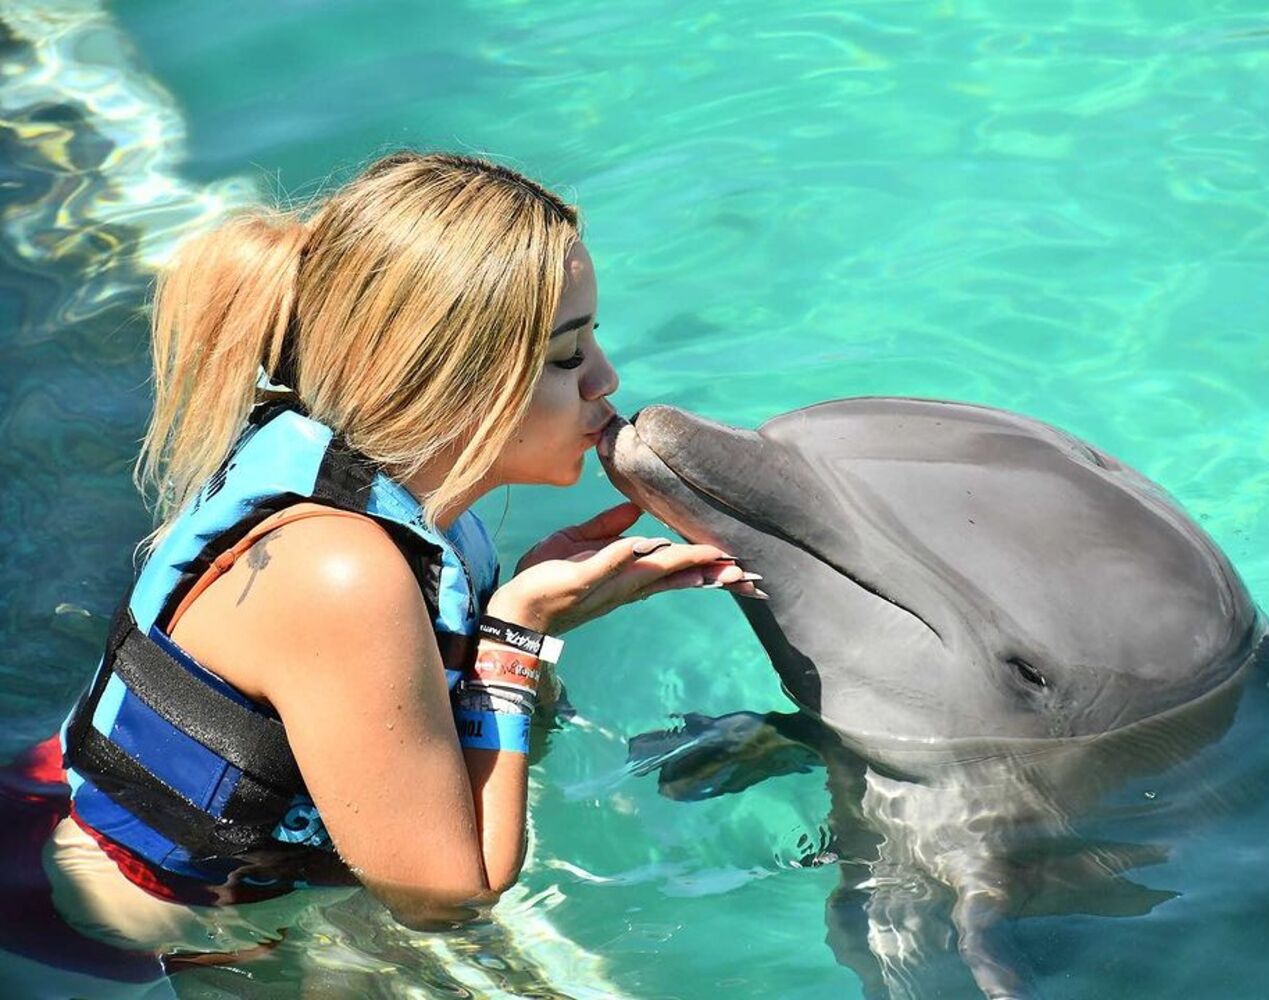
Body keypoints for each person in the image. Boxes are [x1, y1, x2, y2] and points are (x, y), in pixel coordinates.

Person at [33, 150, 765, 964]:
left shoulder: (426, 519)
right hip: (153, 937)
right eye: (565, 357)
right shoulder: (340, 571)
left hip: (258, 888)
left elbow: (467, 761)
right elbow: (447, 896)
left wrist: (515, 622)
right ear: (447, 382)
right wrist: (517, 634)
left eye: (593, 340)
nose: (606, 379)